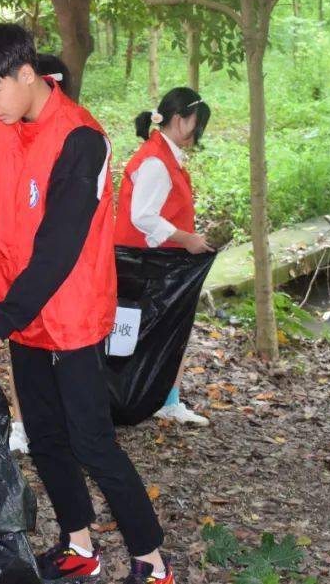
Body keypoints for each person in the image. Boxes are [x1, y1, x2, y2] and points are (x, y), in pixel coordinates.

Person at [0, 23, 175, 584]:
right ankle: (79, 545)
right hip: (23, 314)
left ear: (27, 74)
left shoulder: (82, 139)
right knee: (46, 437)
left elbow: (59, 245)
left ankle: (152, 561)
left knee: (92, 443)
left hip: (71, 316)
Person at [116, 87, 213, 427]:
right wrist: (187, 239)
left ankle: (164, 399)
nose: (197, 133)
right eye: (197, 124)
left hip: (155, 263)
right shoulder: (156, 161)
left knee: (167, 334)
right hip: (146, 264)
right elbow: (142, 215)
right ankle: (134, 400)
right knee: (144, 336)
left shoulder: (164, 156)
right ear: (180, 120)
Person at [5, 52, 71, 456]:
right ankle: (22, 420)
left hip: (59, 285)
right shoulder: (11, 136)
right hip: (18, 277)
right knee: (26, 357)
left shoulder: (73, 138)